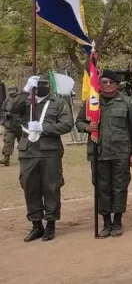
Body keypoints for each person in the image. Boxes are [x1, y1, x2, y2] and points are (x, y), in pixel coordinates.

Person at [75, 70, 132, 238]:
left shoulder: (127, 103)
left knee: (119, 187)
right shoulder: (92, 102)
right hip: (99, 153)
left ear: (117, 84)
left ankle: (118, 221)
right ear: (99, 83)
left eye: (111, 82)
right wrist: (87, 127)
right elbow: (79, 121)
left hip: (120, 153)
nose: (107, 85)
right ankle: (106, 222)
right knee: (101, 188)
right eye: (104, 82)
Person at [8, 74, 74, 242]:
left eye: (44, 84)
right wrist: (25, 90)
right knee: (29, 187)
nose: (41, 87)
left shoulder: (58, 103)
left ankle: (50, 224)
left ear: (49, 86)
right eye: (38, 84)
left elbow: (67, 124)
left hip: (50, 152)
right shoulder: (25, 101)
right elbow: (11, 108)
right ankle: (36, 225)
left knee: (51, 187)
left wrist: (43, 127)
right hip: (28, 151)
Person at [2, 85, 21, 167]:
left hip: (21, 125)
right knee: (8, 142)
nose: (12, 95)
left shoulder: (22, 100)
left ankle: (23, 158)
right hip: (10, 125)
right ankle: (6, 159)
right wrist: (6, 114)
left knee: (23, 143)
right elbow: (2, 111)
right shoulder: (7, 100)